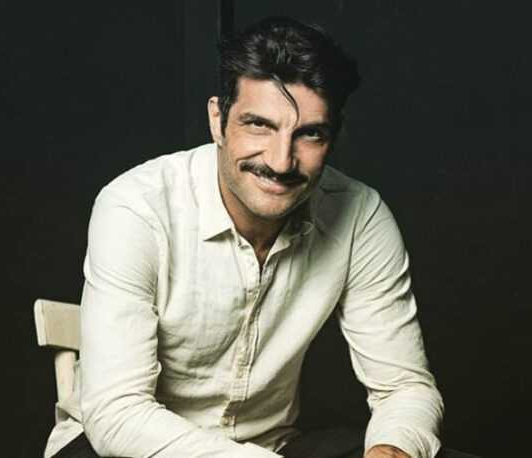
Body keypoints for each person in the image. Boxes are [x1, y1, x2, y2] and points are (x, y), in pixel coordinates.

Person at [44, 16, 444, 458]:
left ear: (333, 137)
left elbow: (404, 387)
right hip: (125, 447)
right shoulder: (137, 207)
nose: (280, 161)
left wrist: (391, 450)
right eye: (259, 125)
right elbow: (118, 415)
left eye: (310, 134)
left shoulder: (360, 214)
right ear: (218, 120)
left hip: (270, 445)